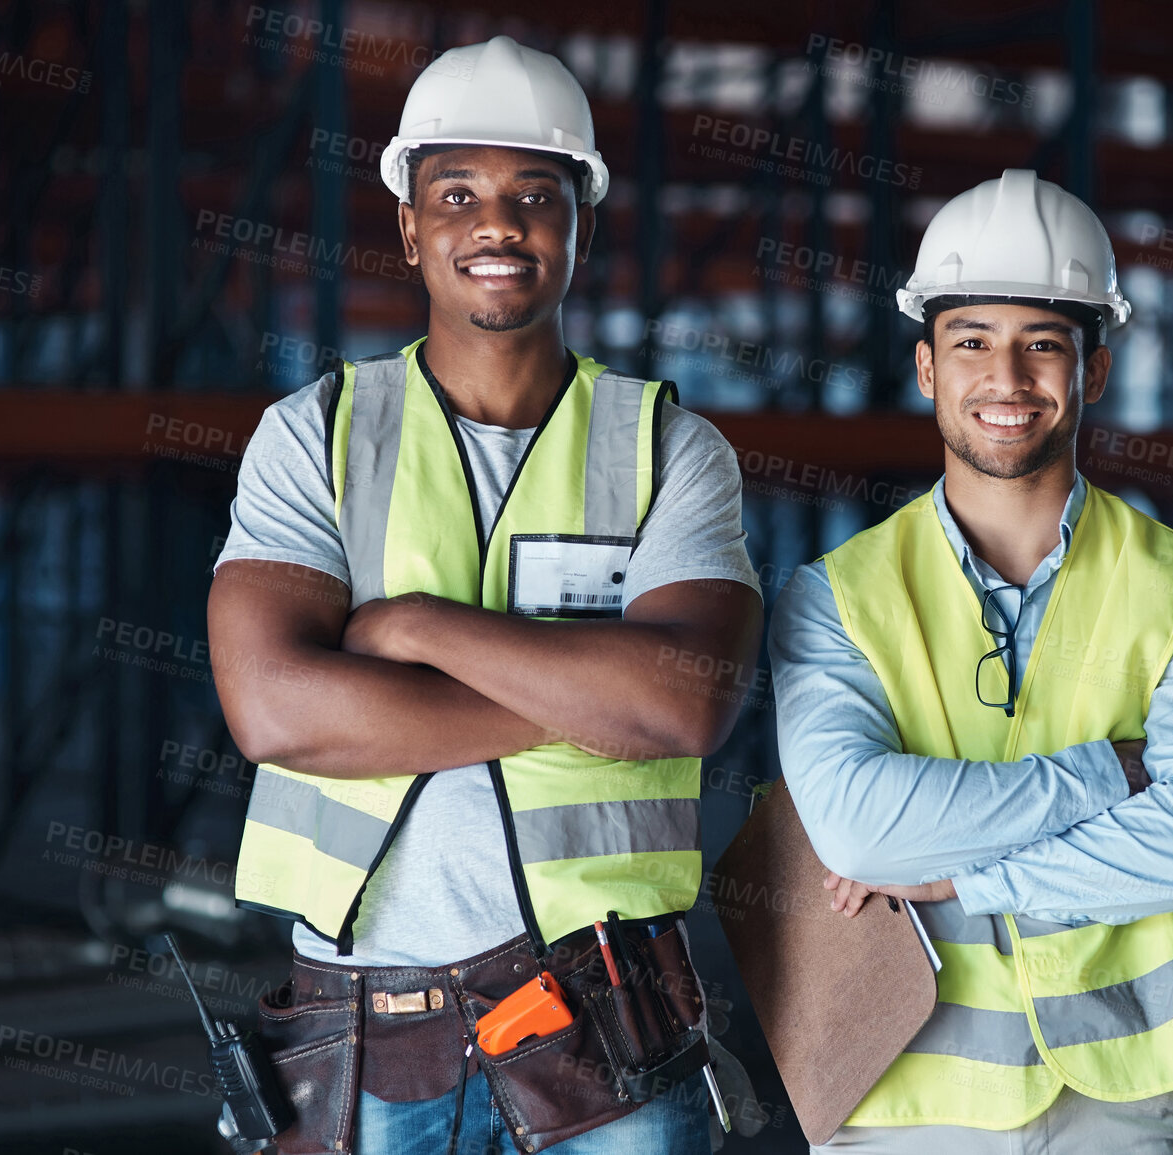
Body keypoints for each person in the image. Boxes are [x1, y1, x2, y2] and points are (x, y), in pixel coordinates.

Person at [208, 35, 762, 1155]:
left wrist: (415, 629)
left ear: (582, 224)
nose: (495, 224)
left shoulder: (670, 449)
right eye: (456, 193)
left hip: (607, 1037)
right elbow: (275, 710)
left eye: (533, 194)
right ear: (411, 226)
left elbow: (688, 701)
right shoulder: (312, 437)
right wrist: (594, 697)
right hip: (367, 1038)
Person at [768, 169, 1173, 1153]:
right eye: (973, 343)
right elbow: (863, 833)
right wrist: (1110, 776)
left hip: (1120, 1103)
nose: (1008, 378)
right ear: (926, 369)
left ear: (1096, 371)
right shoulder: (836, 597)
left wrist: (964, 877)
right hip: (898, 1095)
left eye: (1043, 343)